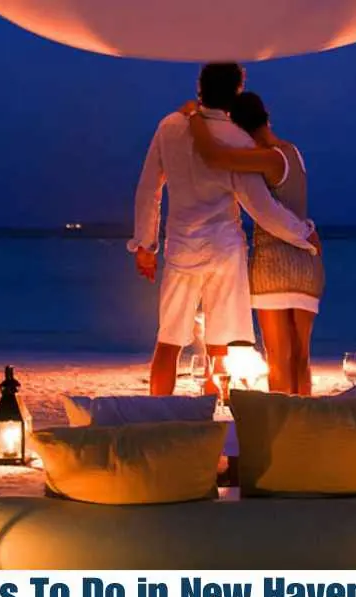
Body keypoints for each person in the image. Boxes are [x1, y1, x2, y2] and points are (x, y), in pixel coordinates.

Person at [130, 63, 321, 396]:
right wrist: (302, 233)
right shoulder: (237, 138)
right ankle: (210, 419)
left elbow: (149, 188)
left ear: (199, 87)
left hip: (181, 246)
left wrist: (145, 244)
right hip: (225, 248)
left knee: (169, 340)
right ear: (236, 91)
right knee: (219, 349)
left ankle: (157, 417)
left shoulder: (169, 126)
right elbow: (260, 207)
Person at [180, 92, 324, 395]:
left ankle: (284, 432)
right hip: (308, 264)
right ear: (266, 116)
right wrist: (306, 231)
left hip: (273, 264)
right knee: (301, 358)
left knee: (279, 360)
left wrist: (194, 117)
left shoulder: (267, 159)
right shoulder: (293, 153)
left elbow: (214, 156)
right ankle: (305, 427)